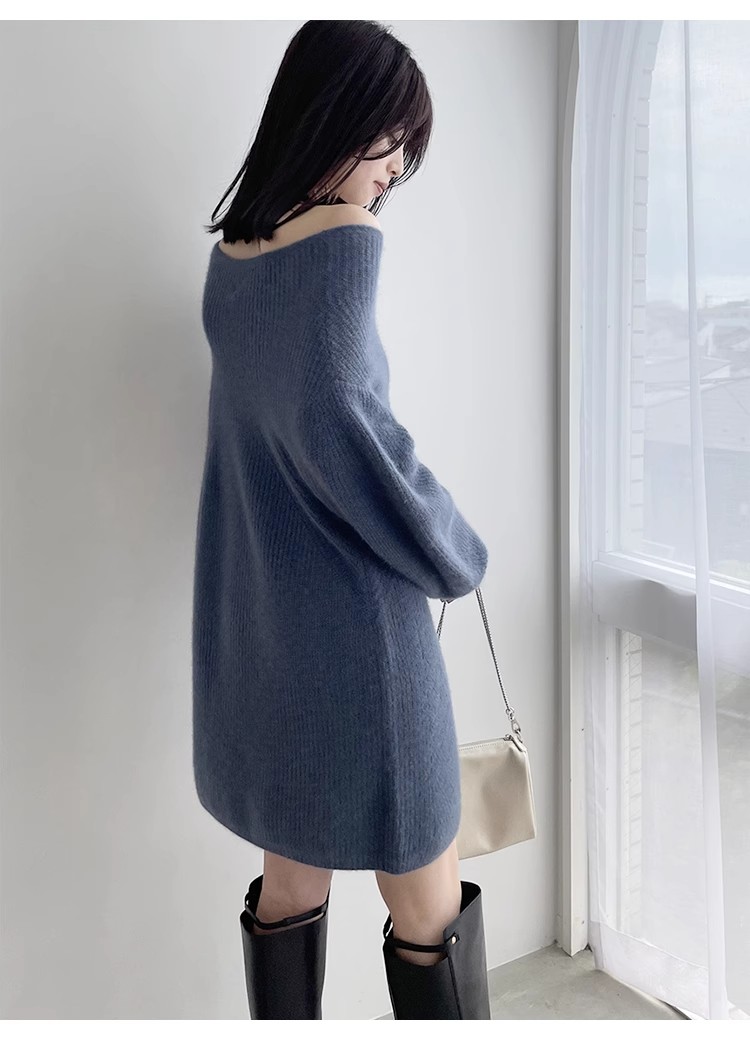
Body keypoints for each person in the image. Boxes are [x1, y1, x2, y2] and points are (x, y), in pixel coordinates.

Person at [193, 19, 491, 1020]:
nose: (396, 166)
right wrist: (456, 551)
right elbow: (347, 422)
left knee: (292, 881)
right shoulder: (345, 242)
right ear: (339, 113)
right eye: (391, 137)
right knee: (429, 902)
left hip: (270, 636)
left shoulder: (236, 254)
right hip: (366, 642)